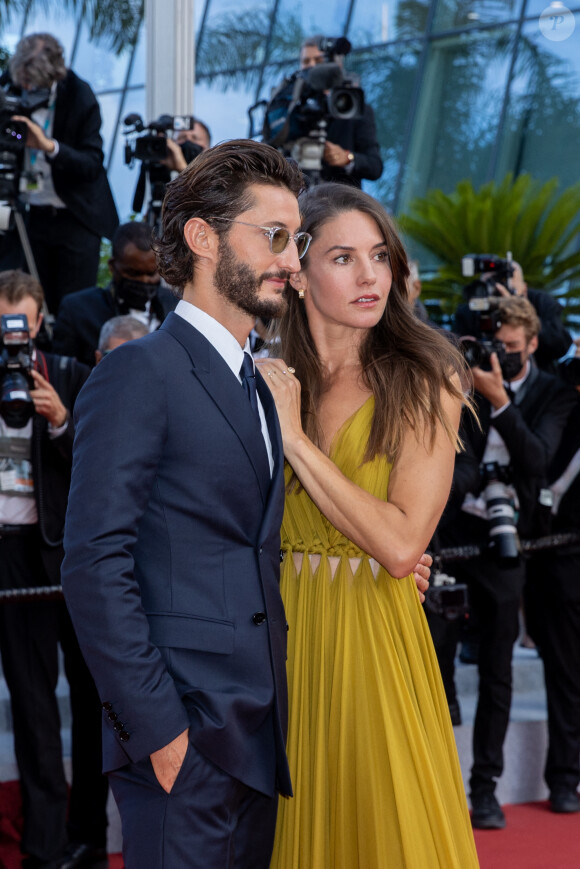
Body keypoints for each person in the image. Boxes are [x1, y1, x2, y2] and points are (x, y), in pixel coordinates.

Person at [59, 140, 305, 869]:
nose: (291, 261)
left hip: (258, 732)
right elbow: (94, 560)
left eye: (297, 241)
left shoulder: (263, 387)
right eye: (275, 236)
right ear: (202, 237)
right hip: (183, 737)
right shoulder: (139, 371)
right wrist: (158, 729)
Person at [255, 182, 479, 868]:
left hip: (374, 637)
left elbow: (399, 543)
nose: (370, 276)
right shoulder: (262, 376)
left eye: (379, 256)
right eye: (344, 257)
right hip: (279, 642)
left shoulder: (425, 376)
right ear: (297, 270)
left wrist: (295, 441)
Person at [434, 296, 577, 829]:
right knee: (438, 668)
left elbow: (537, 460)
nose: (503, 359)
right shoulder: (461, 387)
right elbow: (455, 463)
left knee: (498, 673)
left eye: (514, 350)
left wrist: (501, 403)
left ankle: (485, 791)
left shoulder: (551, 393)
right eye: (497, 349)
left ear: (534, 344)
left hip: (507, 547)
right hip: (454, 540)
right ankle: (440, 785)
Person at [0, 270, 108, 869]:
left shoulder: (68, 373)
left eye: (21, 322)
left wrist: (62, 419)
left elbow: (105, 460)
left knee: (93, 695)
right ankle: (42, 848)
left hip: (69, 552)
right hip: (11, 553)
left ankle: (87, 833)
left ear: (39, 321)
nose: (13, 335)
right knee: (33, 702)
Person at [0, 33, 119, 313]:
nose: (28, 89)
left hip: (74, 216)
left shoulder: (80, 95)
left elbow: (92, 164)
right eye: (23, 84)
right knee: (31, 299)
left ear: (54, 75)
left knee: (73, 306)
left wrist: (48, 146)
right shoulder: (8, 87)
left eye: (34, 85)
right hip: (31, 216)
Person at [525, 352, 580, 814]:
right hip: (563, 558)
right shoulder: (562, 397)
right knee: (567, 674)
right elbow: (542, 459)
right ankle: (565, 777)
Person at [52, 222, 177, 367]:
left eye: (151, 274)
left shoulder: (176, 307)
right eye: (133, 273)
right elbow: (63, 376)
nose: (143, 280)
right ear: (113, 266)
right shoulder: (78, 311)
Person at [454, 261, 572, 373]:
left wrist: (522, 313)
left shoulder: (541, 302)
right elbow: (456, 354)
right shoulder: (469, 310)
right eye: (489, 288)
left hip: (536, 382)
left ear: (524, 289)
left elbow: (561, 345)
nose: (496, 296)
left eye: (505, 288)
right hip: (481, 380)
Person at [298, 36, 383, 188]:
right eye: (306, 61)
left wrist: (346, 157)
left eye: (318, 61)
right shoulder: (292, 108)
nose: (311, 67)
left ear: (335, 65)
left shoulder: (355, 108)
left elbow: (375, 166)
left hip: (336, 203)